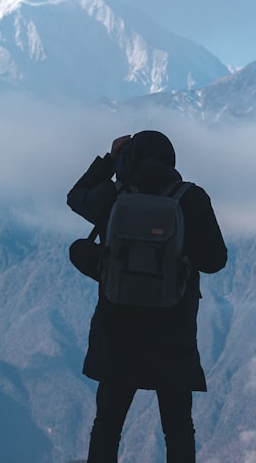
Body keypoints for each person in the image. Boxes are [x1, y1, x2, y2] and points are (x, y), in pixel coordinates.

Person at [67, 130, 227, 463]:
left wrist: (109, 161)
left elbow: (75, 196)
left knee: (107, 426)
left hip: (117, 336)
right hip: (174, 338)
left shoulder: (111, 196)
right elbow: (215, 261)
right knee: (179, 428)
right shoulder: (190, 199)